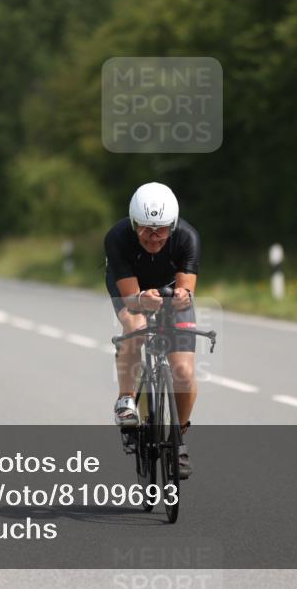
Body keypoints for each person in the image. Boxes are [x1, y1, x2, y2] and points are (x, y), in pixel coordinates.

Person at [104, 182, 200, 478]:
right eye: (146, 229)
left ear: (173, 225)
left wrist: (183, 296)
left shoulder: (187, 237)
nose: (154, 237)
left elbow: (187, 290)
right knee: (136, 325)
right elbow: (131, 298)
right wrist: (141, 300)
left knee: (184, 373)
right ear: (134, 224)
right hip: (131, 289)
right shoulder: (118, 237)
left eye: (161, 230)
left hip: (169, 291)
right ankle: (126, 399)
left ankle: (178, 440)